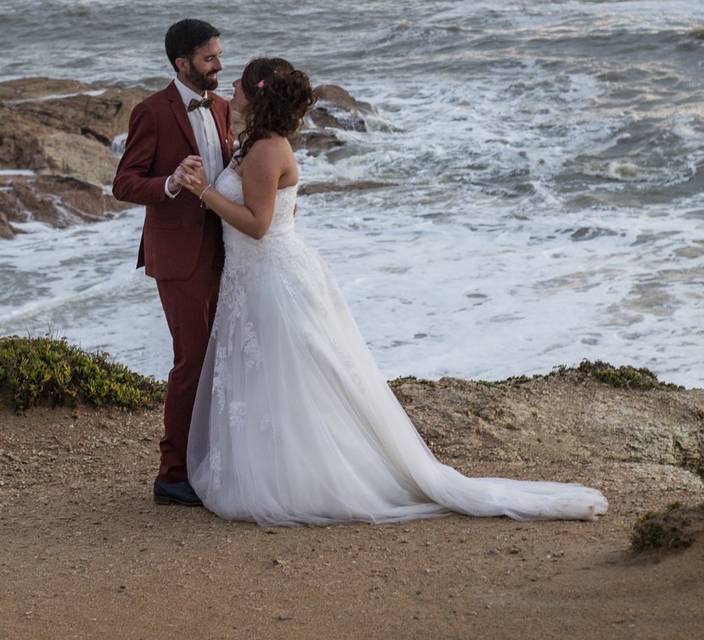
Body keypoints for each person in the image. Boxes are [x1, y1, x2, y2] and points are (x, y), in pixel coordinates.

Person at [177, 57, 610, 526]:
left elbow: (259, 226)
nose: (232, 92)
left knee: (293, 378)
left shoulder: (265, 151)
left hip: (270, 277)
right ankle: (267, 466)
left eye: (240, 86)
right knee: (271, 380)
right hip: (255, 277)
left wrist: (204, 191)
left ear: (257, 96)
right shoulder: (253, 145)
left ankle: (306, 479)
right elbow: (278, 211)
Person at [112, 19, 234, 506]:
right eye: (210, 58)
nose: (219, 65)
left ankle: (212, 460)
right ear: (181, 63)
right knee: (192, 362)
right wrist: (168, 184)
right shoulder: (152, 111)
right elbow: (124, 183)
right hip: (179, 257)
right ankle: (173, 473)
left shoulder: (224, 108)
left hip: (229, 251)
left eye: (220, 55)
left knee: (222, 360)